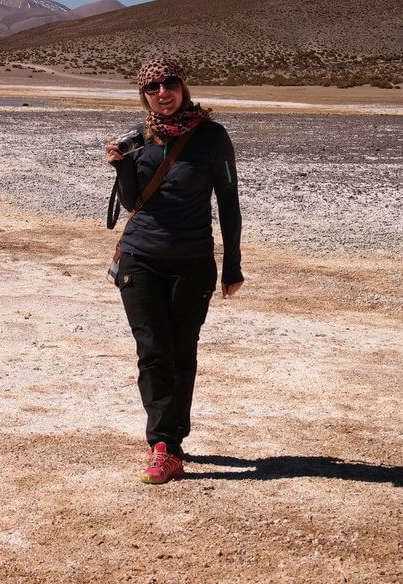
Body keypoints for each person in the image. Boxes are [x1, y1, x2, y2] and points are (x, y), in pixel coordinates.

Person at [104, 57, 243, 485]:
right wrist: (120, 165)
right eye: (152, 88)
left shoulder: (213, 138)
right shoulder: (139, 139)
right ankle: (162, 444)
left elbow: (229, 202)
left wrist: (232, 265)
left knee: (181, 353)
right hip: (140, 259)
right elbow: (131, 204)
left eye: (170, 83)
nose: (162, 92)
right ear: (143, 95)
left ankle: (171, 443)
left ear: (182, 86)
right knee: (152, 352)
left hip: (191, 261)